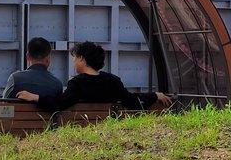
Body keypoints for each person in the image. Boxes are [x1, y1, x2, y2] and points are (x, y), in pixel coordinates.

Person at [16, 41, 172, 110]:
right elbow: (132, 101)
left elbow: (60, 103)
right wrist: (154, 95)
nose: (73, 62)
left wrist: (35, 97)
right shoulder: (112, 81)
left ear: (82, 59)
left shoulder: (77, 84)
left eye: (75, 58)